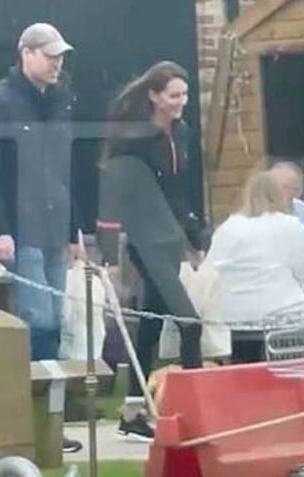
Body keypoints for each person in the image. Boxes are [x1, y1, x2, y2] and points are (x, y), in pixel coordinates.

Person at [0, 22, 83, 453]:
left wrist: (75, 229)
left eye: (60, 56)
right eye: (50, 55)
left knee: (55, 322)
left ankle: (47, 423)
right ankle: (26, 419)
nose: (57, 63)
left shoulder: (60, 102)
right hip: (21, 229)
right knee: (40, 321)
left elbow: (66, 170)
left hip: (54, 228)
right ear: (26, 53)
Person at [96, 60, 207, 442]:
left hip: (170, 234)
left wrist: (193, 236)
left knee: (153, 323)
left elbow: (179, 190)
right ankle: (195, 412)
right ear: (155, 96)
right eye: (174, 95)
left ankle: (132, 412)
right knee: (190, 323)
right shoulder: (134, 139)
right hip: (146, 238)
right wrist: (110, 243)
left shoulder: (183, 133)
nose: (181, 102)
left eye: (185, 95)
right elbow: (118, 189)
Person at [204, 171, 304, 361]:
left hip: (234, 315)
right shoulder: (290, 225)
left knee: (242, 368)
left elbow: (211, 268)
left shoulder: (228, 227)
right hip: (282, 315)